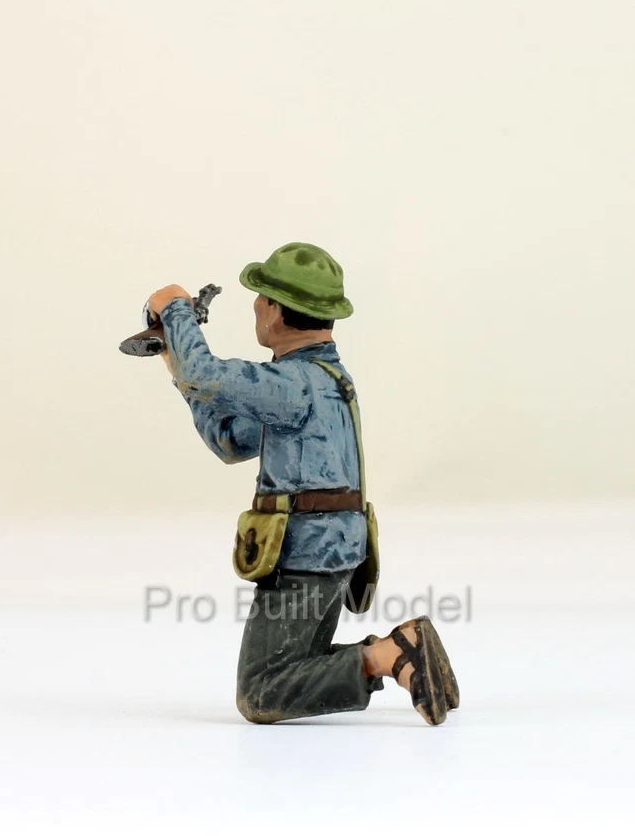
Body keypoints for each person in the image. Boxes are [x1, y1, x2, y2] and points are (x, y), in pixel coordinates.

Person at [145, 242, 458, 724]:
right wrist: (175, 363)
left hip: (306, 554)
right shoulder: (319, 380)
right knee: (295, 665)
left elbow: (205, 375)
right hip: (329, 549)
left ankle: (392, 653)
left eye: (260, 297)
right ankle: (400, 655)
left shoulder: (292, 383)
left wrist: (176, 309)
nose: (255, 306)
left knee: (261, 690)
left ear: (275, 309)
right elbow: (229, 440)